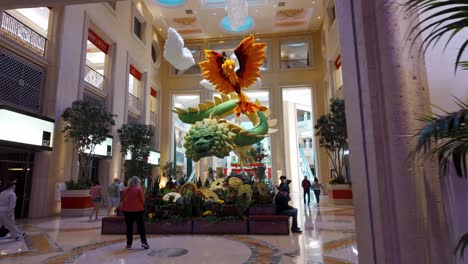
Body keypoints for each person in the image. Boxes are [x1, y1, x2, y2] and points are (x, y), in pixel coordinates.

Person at [119, 176, 149, 250]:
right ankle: (144, 242)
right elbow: (142, 200)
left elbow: (122, 199)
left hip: (127, 211)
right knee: (141, 227)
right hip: (138, 210)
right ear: (137, 182)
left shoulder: (125, 189)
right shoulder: (138, 189)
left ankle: (129, 244)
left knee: (129, 227)